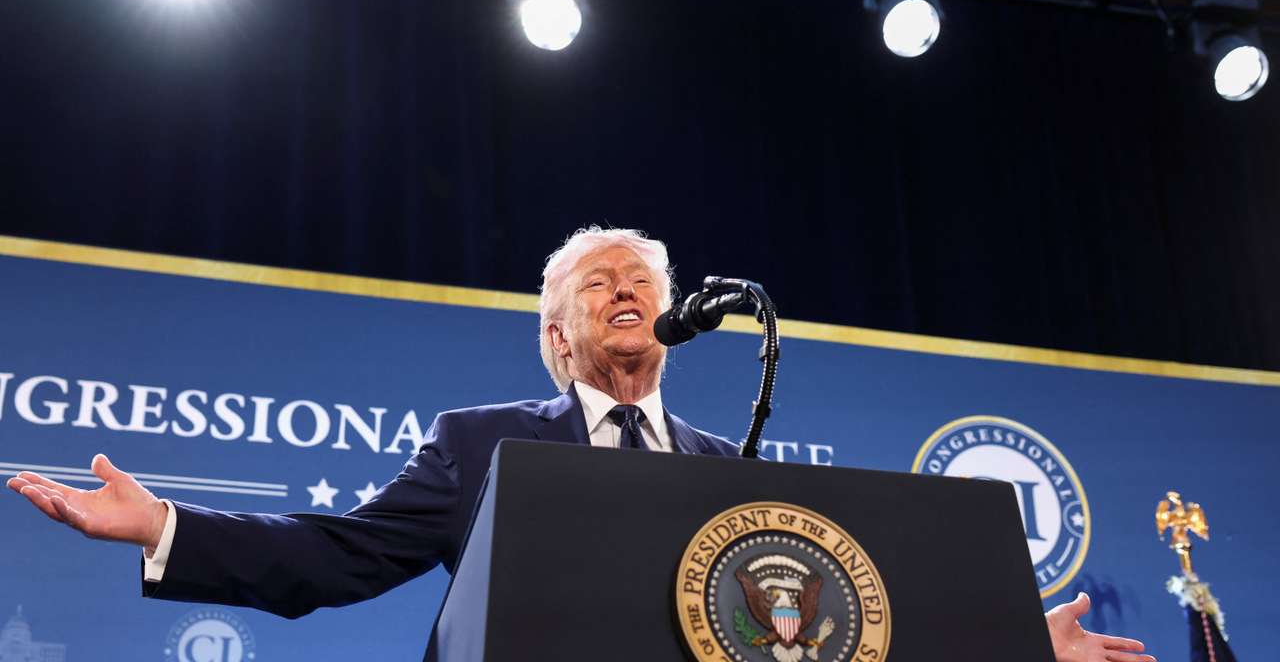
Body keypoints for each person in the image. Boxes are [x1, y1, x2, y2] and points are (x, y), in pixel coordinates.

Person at [7, 227, 1152, 662]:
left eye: (640, 282)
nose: (625, 292)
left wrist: (1013, 651)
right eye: (597, 283)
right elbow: (332, 560)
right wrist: (163, 526)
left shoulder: (727, 476)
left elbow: (825, 639)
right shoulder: (479, 445)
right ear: (554, 335)